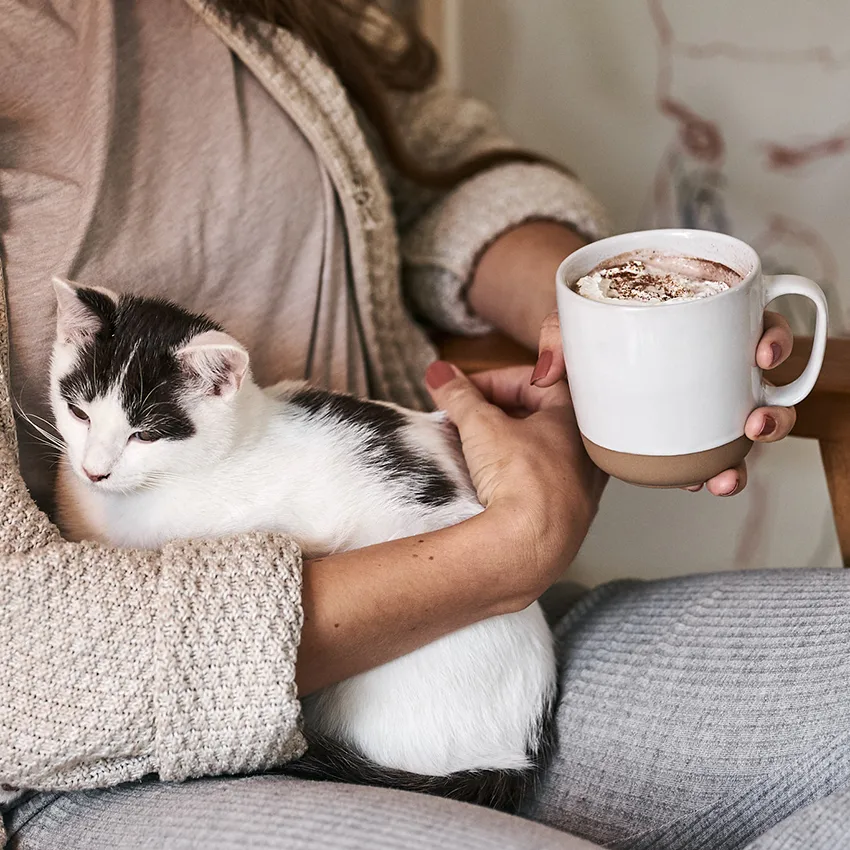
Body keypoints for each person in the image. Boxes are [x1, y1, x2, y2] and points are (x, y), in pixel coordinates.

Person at [1, 2, 846, 849]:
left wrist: (603, 331)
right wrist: (505, 551)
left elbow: (435, 167)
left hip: (464, 620)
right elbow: (21, 670)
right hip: (96, 751)